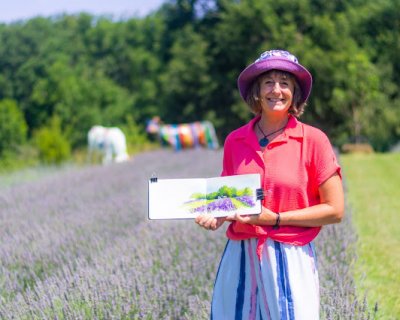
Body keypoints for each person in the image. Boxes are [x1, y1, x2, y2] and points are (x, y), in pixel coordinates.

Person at [195, 49, 344, 319]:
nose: (277, 90)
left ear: (295, 93)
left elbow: (335, 210)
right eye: (269, 82)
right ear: (257, 91)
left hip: (290, 254)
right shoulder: (235, 141)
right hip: (240, 256)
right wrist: (216, 216)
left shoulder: (313, 140)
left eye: (285, 83)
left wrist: (275, 218)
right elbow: (229, 199)